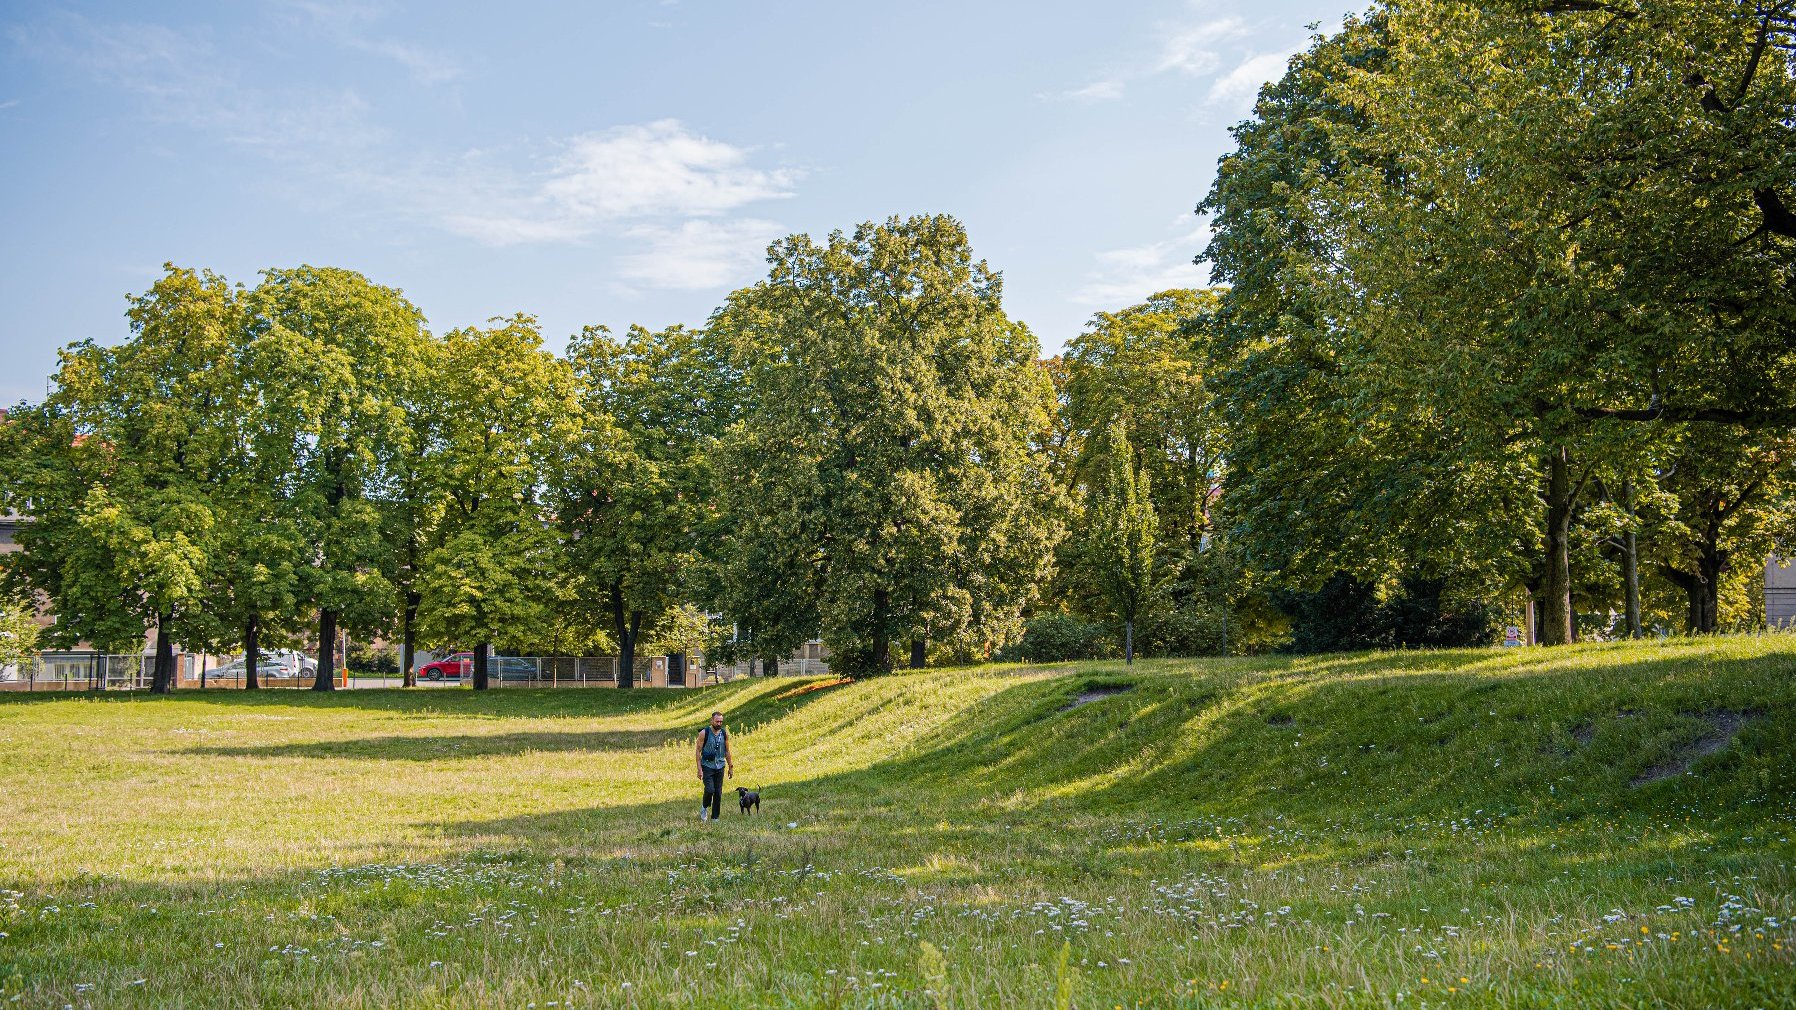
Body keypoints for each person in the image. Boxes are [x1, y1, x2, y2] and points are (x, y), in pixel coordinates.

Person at [695, 710, 733, 822]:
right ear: (712, 721)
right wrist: (699, 769)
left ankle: (715, 817)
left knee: (718, 792)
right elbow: (698, 751)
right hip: (707, 766)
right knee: (710, 790)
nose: (719, 724)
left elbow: (727, 751)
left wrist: (730, 767)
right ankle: (704, 807)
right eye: (717, 721)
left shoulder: (724, 733)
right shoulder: (704, 733)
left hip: (720, 766)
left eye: (721, 722)